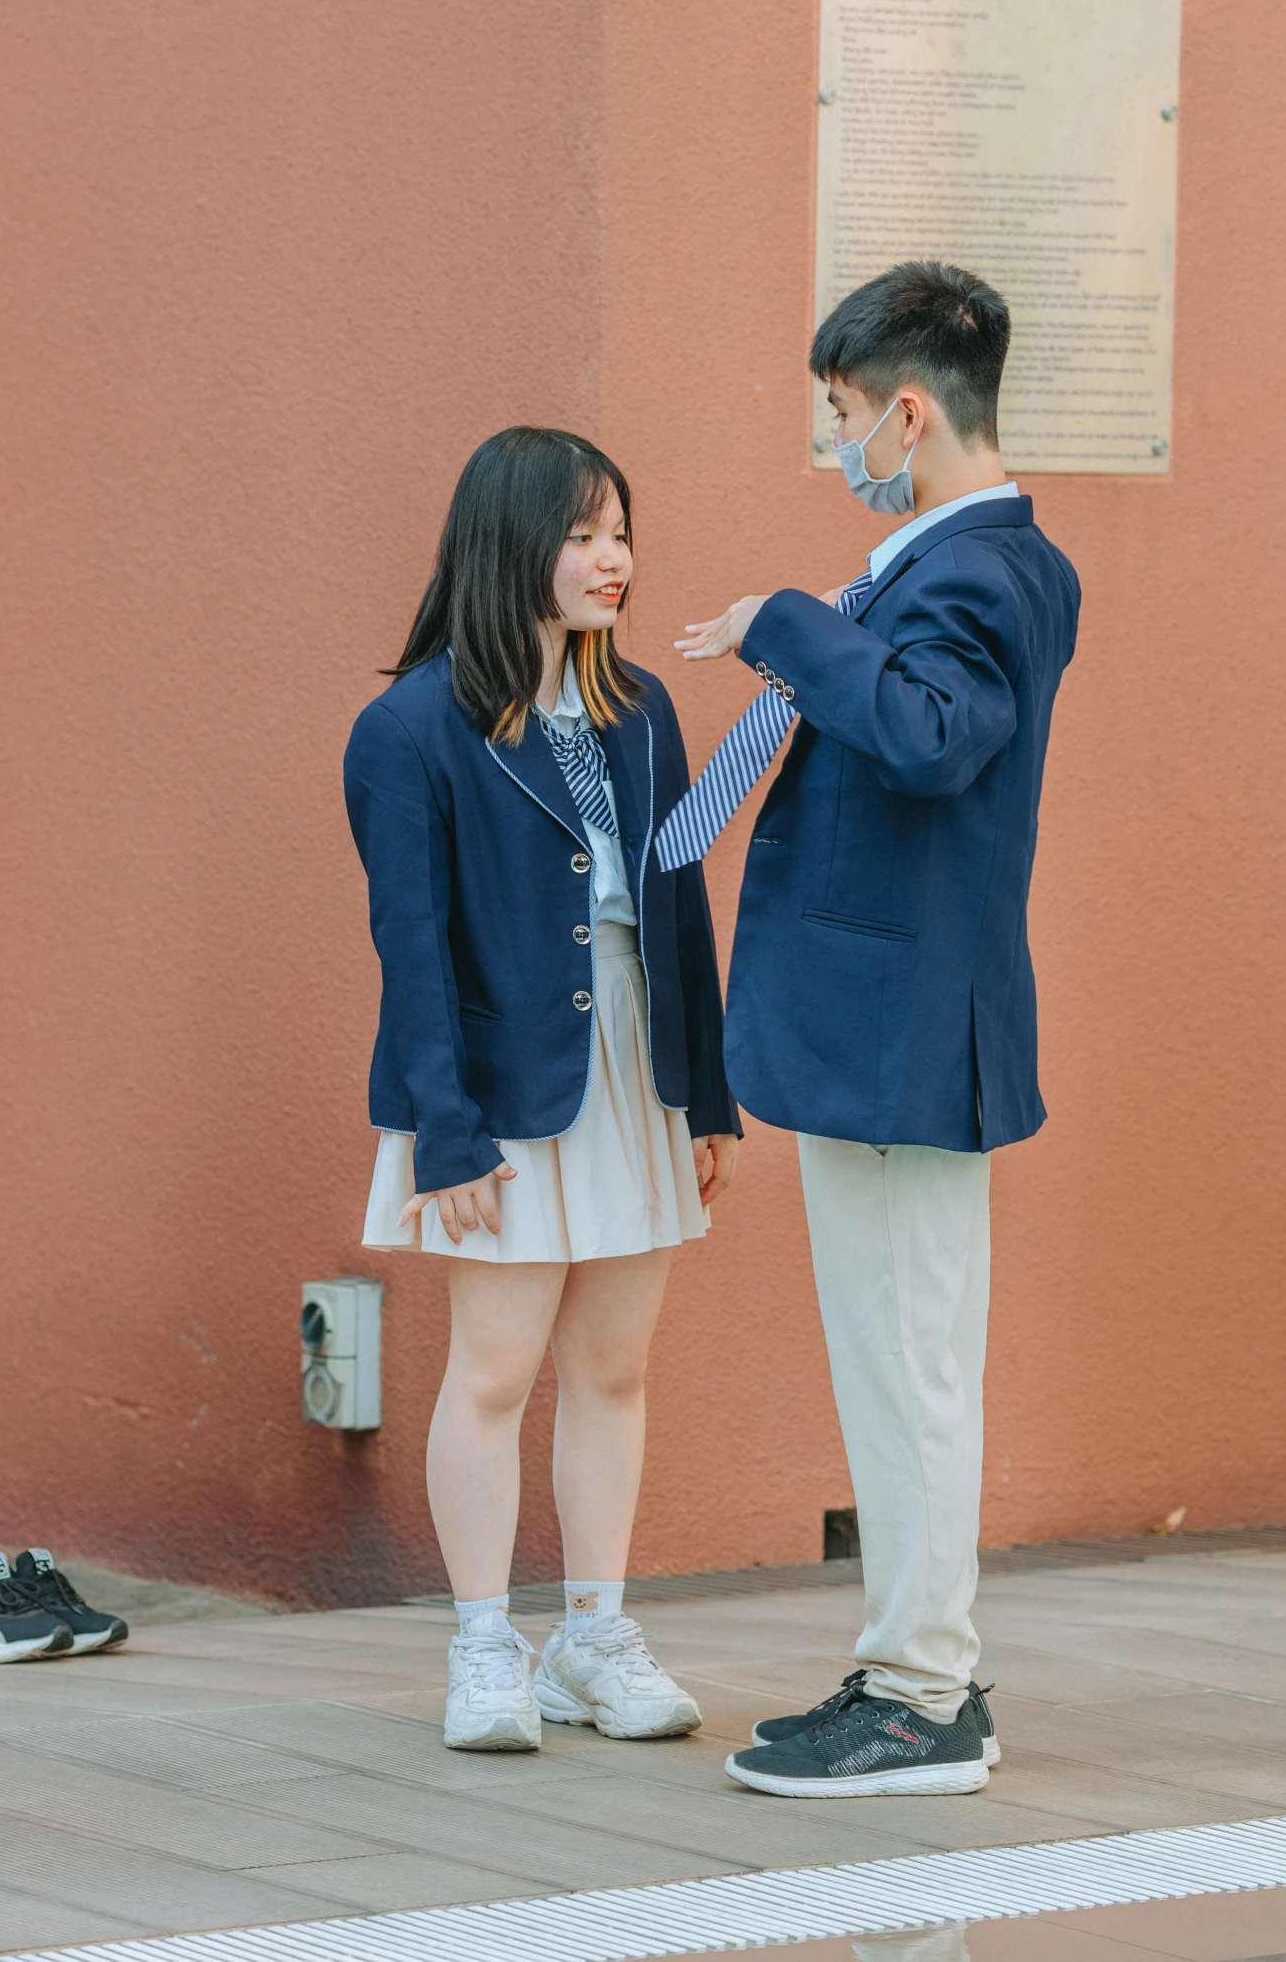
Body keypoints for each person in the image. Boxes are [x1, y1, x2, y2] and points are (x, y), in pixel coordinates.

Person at [663, 260, 1079, 1798]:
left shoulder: (977, 569)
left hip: (900, 1037)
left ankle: (921, 1693)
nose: (833, 447)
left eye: (839, 417)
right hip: (889, 1033)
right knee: (902, 1359)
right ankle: (914, 1663)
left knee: (904, 1365)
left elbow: (927, 736)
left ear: (907, 411)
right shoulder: (950, 563)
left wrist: (783, 618)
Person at [343, 427, 740, 1751]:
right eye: (579, 533)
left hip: (634, 1067)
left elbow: (676, 904)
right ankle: (480, 1642)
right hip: (492, 1084)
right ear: (509, 545)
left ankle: (593, 1634)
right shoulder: (408, 726)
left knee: (614, 1365)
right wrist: (443, 1132)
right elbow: (410, 944)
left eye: (618, 529)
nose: (610, 556)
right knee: (497, 1366)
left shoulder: (640, 712)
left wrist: (709, 1094)